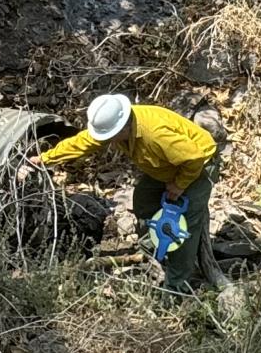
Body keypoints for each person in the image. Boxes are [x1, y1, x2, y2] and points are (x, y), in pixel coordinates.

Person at [38, 93, 219, 292]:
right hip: (165, 165)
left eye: (108, 136)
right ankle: (151, 249)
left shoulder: (155, 134)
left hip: (197, 167)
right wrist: (45, 158)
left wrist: (180, 185)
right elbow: (83, 143)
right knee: (144, 201)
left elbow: (193, 158)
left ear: (123, 127)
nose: (105, 141)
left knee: (184, 225)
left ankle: (176, 286)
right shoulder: (119, 126)